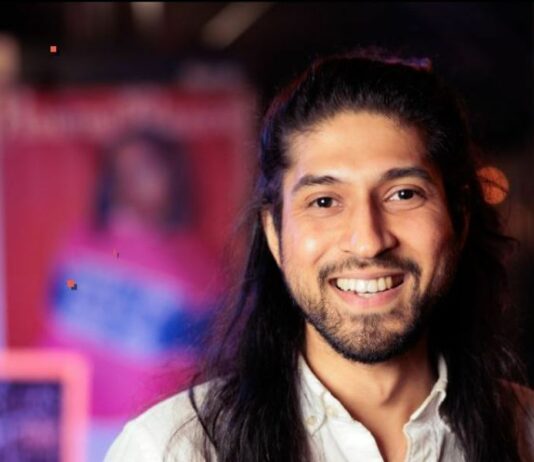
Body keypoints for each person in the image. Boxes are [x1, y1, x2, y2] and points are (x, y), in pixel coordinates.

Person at [105, 50, 534, 461]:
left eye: (403, 194)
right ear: (274, 233)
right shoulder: (172, 450)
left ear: (459, 218)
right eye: (324, 201)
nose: (368, 242)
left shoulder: (527, 431)